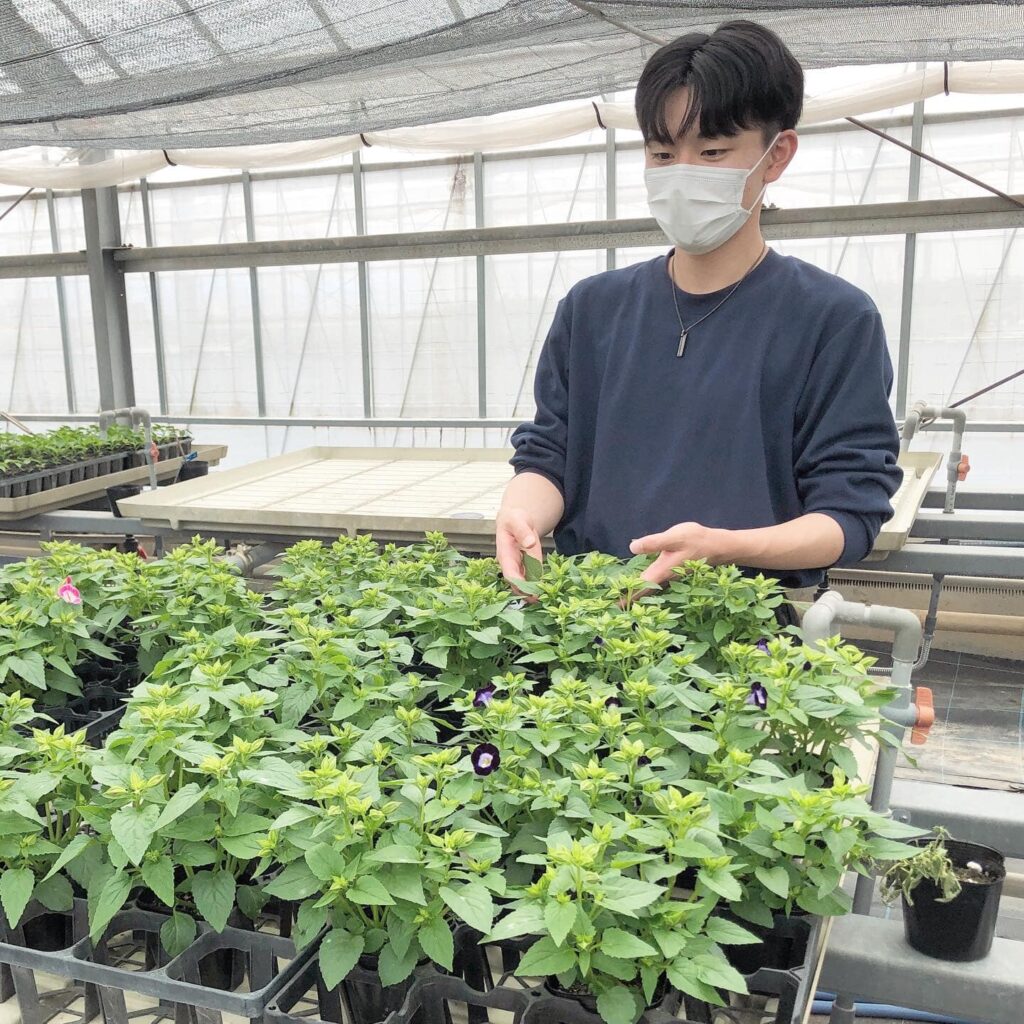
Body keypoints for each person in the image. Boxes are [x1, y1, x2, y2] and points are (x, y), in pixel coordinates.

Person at [496, 20, 902, 620]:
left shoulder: (833, 319)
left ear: (776, 155)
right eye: (662, 154)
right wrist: (521, 513)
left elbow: (849, 514)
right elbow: (549, 457)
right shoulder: (592, 309)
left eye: (712, 152)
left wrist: (725, 547)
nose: (682, 172)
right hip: (587, 619)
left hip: (737, 628)